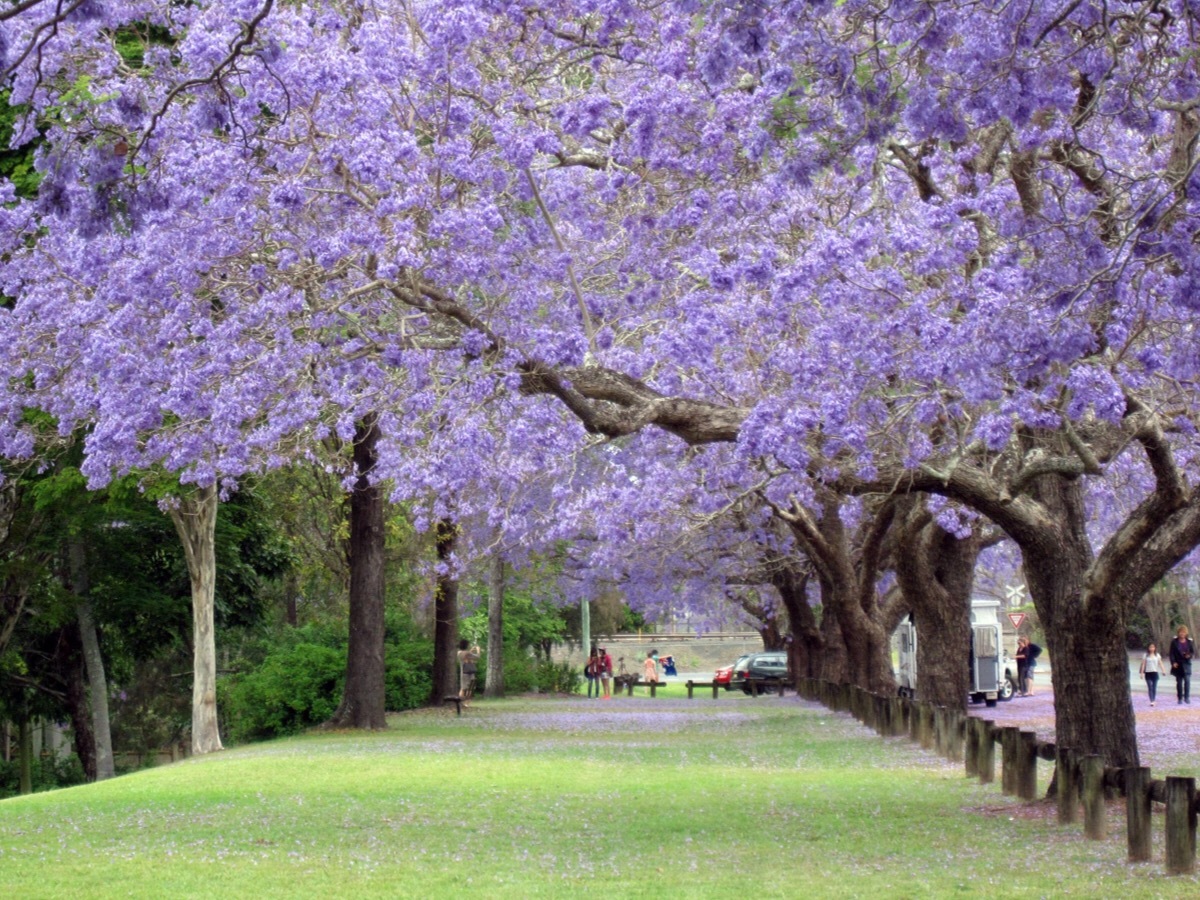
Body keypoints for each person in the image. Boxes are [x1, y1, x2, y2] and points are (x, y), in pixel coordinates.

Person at [1169, 626, 1195, 705]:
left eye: (1184, 632)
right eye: (1181, 632)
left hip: (1187, 664)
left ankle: (1186, 697)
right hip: (1178, 664)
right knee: (1179, 682)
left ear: (1186, 633)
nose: (1182, 634)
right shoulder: (1174, 642)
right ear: (1178, 633)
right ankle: (1180, 698)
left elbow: (1192, 652)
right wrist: (1173, 662)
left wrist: (1189, 655)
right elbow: (1171, 653)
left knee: (1187, 681)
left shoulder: (1189, 642)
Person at [457, 639, 481, 706]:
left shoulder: (459, 653)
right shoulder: (468, 653)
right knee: (470, 688)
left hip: (463, 672)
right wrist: (478, 650)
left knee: (462, 688)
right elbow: (477, 657)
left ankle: (460, 702)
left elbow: (465, 656)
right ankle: (467, 703)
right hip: (470, 673)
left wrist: (471, 650)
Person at [1140, 642, 1164, 707]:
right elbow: (1143, 664)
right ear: (1148, 648)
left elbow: (1160, 663)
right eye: (1150, 647)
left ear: (1155, 648)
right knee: (1150, 687)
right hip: (1148, 673)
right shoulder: (1146, 655)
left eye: (1153, 647)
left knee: (1154, 687)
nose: (1152, 648)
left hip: (1155, 673)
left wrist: (1163, 671)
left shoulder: (1157, 655)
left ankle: (1153, 699)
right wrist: (1142, 673)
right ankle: (1151, 701)